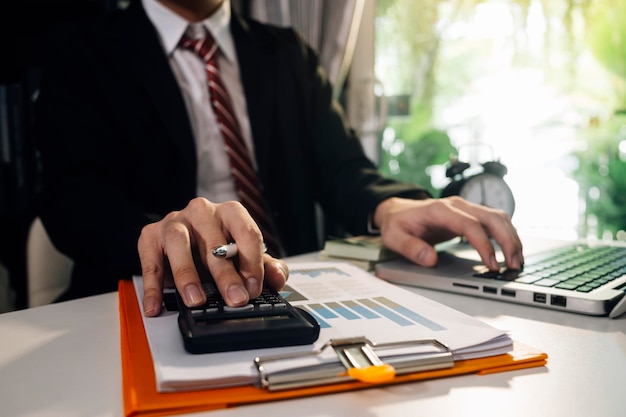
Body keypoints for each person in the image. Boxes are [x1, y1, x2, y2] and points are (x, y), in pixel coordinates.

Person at [35, 0, 523, 317]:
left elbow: (343, 170)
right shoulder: (80, 52)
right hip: (157, 303)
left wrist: (390, 207)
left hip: (297, 295)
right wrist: (162, 235)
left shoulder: (287, 53)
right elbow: (71, 199)